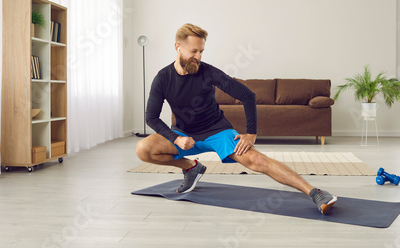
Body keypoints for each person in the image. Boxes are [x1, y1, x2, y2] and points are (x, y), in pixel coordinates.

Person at [135, 23, 337, 214]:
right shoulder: (163, 78)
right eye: (193, 51)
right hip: (184, 135)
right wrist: (176, 138)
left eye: (201, 52)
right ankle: (191, 167)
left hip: (218, 132)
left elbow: (248, 95)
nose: (198, 57)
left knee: (258, 160)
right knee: (143, 149)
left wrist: (251, 133)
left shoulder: (209, 72)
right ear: (178, 47)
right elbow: (151, 117)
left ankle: (315, 193)